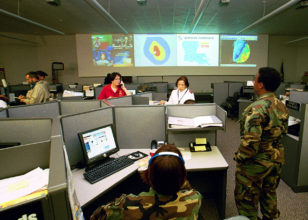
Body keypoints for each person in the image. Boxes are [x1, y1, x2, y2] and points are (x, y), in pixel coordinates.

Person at [234, 67, 289, 220]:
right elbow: (282, 132)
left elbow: (251, 143)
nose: (253, 81)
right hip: (276, 159)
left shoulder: (256, 108)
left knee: (247, 201)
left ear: (261, 84)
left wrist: (239, 157)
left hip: (256, 164)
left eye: (255, 78)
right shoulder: (281, 104)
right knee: (269, 194)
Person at [90, 144, 202, 220]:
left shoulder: (126, 204)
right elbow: (186, 188)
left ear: (149, 174)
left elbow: (95, 217)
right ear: (183, 175)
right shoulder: (195, 198)